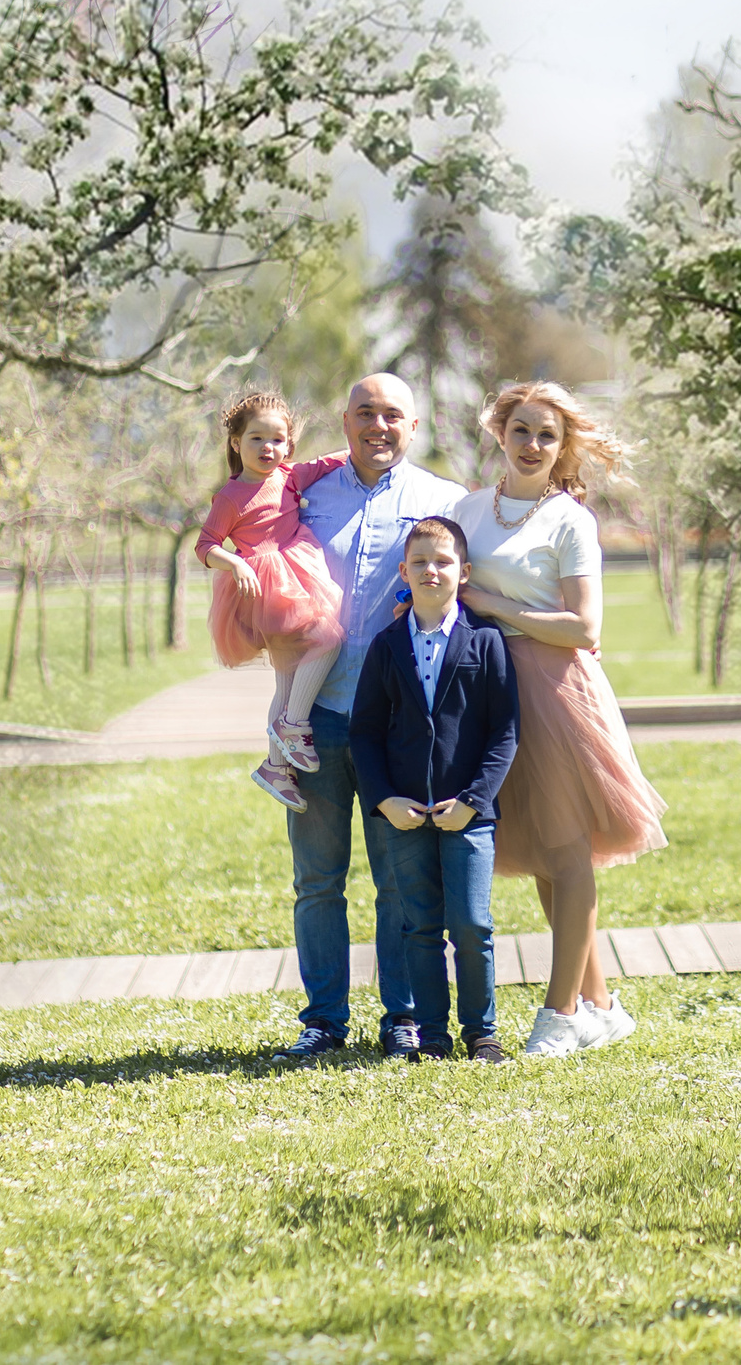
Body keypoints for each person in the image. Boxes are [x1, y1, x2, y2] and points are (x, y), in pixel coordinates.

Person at [454, 380, 668, 1058]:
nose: (532, 444)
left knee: (569, 851)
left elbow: (583, 626)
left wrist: (493, 603)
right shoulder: (468, 509)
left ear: (562, 445)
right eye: (521, 430)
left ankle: (558, 1013)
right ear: (500, 431)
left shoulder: (570, 520)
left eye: (547, 434)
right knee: (548, 856)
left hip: (557, 693)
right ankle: (601, 1005)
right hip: (491, 689)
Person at [274, 373, 462, 1061]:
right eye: (365, 413)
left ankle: (402, 1017)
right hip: (316, 717)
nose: (378, 426)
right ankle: (323, 1019)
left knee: (399, 880)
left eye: (393, 415)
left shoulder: (444, 503)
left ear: (414, 428)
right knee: (317, 880)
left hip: (397, 726)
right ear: (344, 421)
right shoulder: (307, 500)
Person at [348, 516, 519, 1065]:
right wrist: (382, 801)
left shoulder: (486, 643)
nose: (431, 570)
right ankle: (432, 1032)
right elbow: (365, 732)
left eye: (443, 561)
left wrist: (473, 800)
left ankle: (481, 1031)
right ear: (403, 571)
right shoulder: (385, 646)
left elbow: (505, 731)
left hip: (469, 813)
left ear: (463, 573)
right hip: (404, 814)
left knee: (472, 924)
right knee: (418, 925)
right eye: (419, 561)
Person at [195, 390, 349, 808]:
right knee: (329, 639)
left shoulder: (290, 477)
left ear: (288, 445)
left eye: (278, 440)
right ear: (236, 443)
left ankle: (275, 768)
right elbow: (205, 545)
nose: (268, 448)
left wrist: (363, 446)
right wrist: (235, 564)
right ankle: (294, 725)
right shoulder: (230, 496)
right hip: (265, 586)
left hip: (297, 575)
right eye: (257, 439)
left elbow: (332, 460)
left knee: (286, 676)